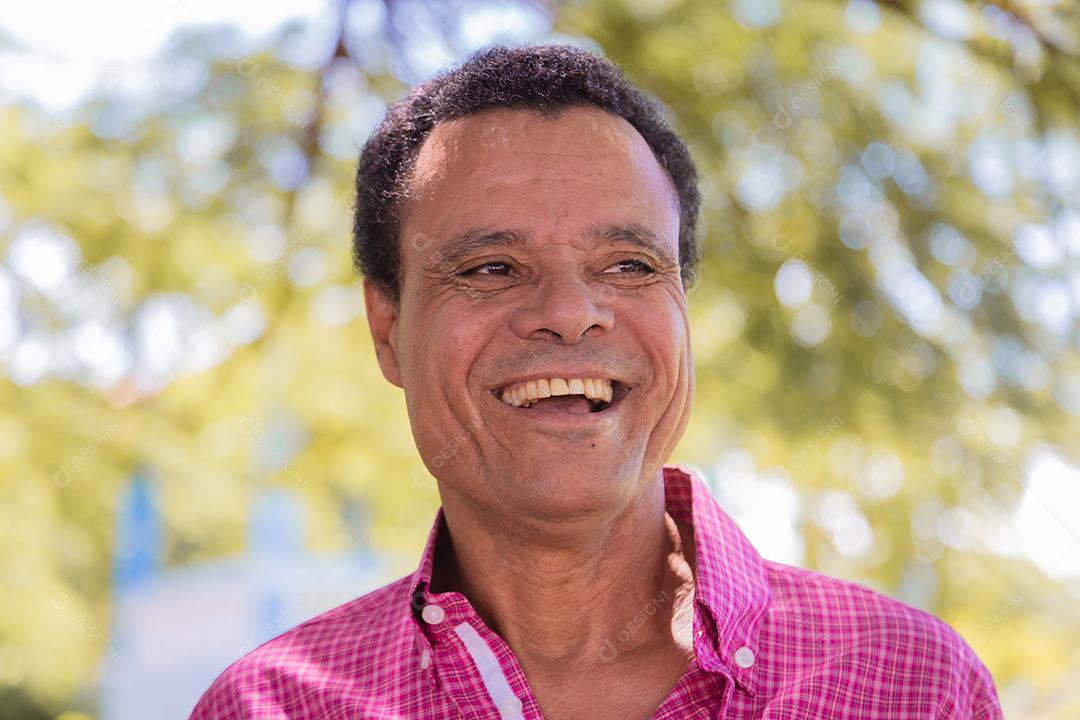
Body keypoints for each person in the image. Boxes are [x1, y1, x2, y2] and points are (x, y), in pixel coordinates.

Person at [190, 43, 1003, 719]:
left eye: (629, 264)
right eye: (491, 267)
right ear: (388, 329)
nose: (571, 313)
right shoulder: (271, 707)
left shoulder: (917, 686)